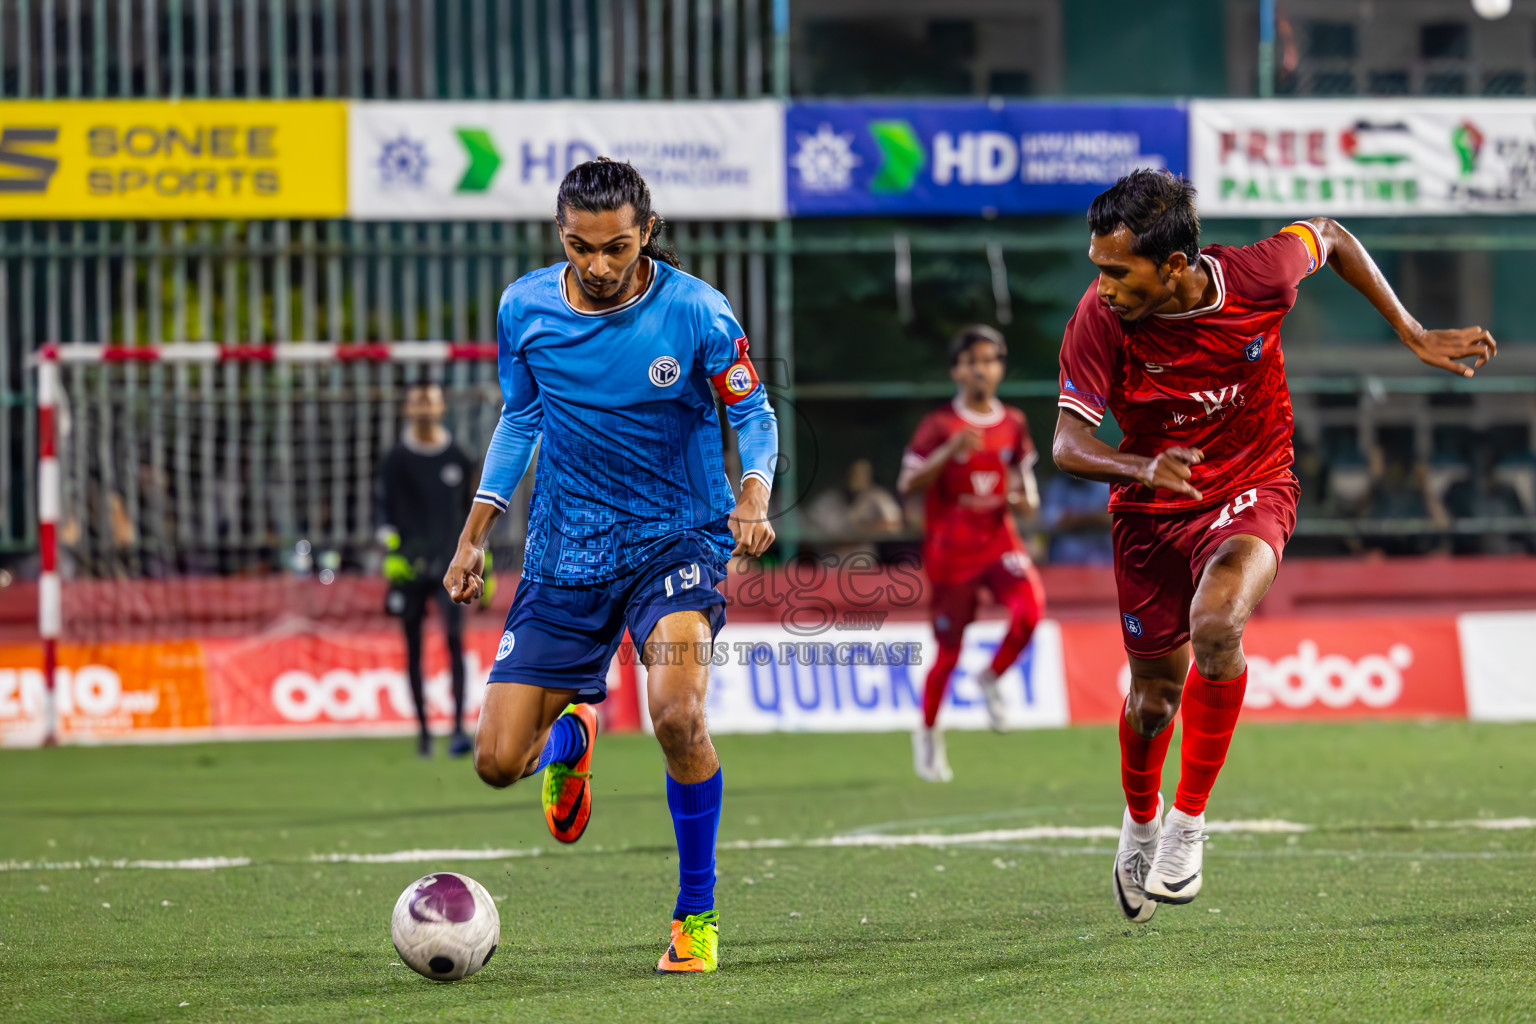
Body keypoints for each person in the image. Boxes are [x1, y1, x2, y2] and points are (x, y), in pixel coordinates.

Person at [1052, 169, 1496, 923]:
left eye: (1118, 270)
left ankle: (1188, 826)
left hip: (1253, 485)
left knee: (1219, 625)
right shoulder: (1099, 319)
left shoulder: (1260, 275)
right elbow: (1067, 443)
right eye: (1098, 268)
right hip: (1151, 510)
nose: (1105, 285)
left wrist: (1411, 331)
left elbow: (1329, 234)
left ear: (1174, 266)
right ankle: (1140, 819)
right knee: (1154, 701)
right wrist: (1140, 466)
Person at [442, 158, 778, 975]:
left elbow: (754, 415)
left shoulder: (698, 311)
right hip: (566, 550)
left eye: (616, 248)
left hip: (676, 541)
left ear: (648, 234)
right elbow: (521, 419)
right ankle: (572, 729)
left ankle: (694, 915)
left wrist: (754, 496)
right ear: (561, 235)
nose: (597, 266)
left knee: (677, 715)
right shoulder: (524, 307)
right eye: (580, 246)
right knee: (495, 765)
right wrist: (475, 531)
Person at [898, 324, 1044, 782]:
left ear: (1001, 367)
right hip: (951, 553)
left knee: (1031, 610)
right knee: (948, 653)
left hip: (999, 541)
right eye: (972, 360)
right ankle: (927, 735)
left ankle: (992, 676)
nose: (982, 369)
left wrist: (1025, 501)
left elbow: (1028, 491)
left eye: (990, 359)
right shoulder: (940, 425)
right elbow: (907, 483)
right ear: (957, 369)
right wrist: (949, 451)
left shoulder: (1013, 423)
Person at [379, 381, 477, 759]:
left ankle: (456, 729)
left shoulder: (458, 456)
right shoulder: (395, 460)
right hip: (408, 567)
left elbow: (471, 514)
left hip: (450, 567)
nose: (423, 408)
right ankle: (422, 733)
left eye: (430, 402)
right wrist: (393, 554)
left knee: (454, 640)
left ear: (441, 407)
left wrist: (475, 555)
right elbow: (384, 514)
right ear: (407, 408)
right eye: (417, 402)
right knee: (413, 647)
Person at [1039, 472, 1113, 566]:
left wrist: (1077, 518)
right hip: (1065, 564)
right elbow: (1051, 521)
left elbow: (1113, 519)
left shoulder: (1105, 486)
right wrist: (1095, 517)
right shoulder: (1058, 485)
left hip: (1103, 564)